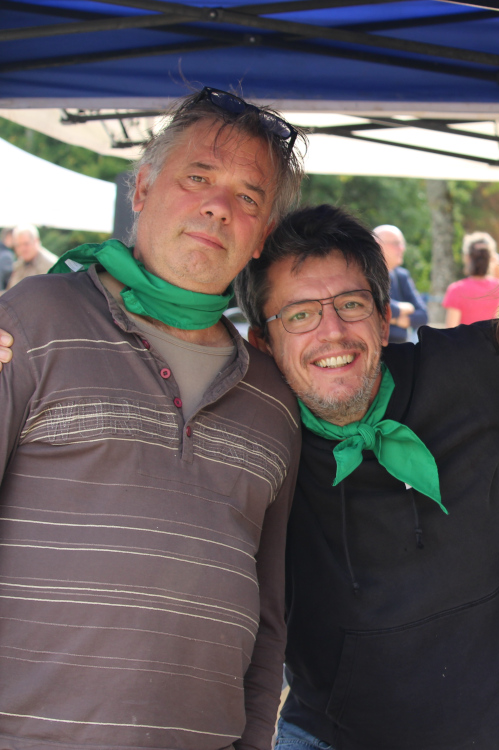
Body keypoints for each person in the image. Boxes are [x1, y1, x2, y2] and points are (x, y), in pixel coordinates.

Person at [0, 87, 304, 749]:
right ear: (140, 189)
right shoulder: (34, 322)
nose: (219, 207)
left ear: (261, 240)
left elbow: (269, 618)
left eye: (248, 197)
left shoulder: (274, 398)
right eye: (198, 178)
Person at [233, 204, 499, 750]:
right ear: (264, 341)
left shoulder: (469, 369)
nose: (333, 333)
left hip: (498, 732)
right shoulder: (253, 439)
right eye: (301, 314)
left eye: (351, 305)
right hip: (335, 735)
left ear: (383, 319)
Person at [373, 223, 427, 342]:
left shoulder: (401, 276)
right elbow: (374, 308)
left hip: (400, 348)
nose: (402, 248)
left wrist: (391, 318)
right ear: (377, 245)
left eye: (402, 244)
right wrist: (406, 307)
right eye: (396, 243)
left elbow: (423, 315)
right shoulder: (364, 275)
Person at [443, 232, 499, 326]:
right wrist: (496, 263)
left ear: (467, 258)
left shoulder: (456, 289)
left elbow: (450, 330)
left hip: (465, 341)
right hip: (491, 341)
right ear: (490, 258)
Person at [4, 224, 57, 290]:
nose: (22, 249)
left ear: (36, 241)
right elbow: (10, 291)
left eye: (26, 244)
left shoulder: (51, 265)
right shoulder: (18, 265)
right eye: (18, 245)